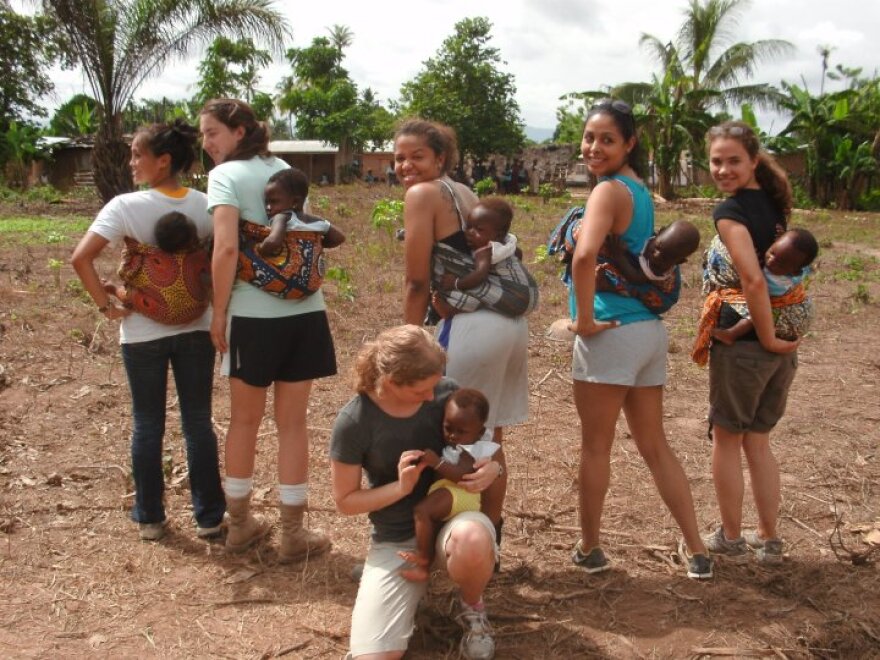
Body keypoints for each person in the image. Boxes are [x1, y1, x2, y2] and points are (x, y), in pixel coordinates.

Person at [567, 99, 712, 579]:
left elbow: (583, 258)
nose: (594, 147)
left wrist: (584, 320)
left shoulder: (607, 191)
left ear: (629, 143)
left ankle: (589, 549)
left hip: (611, 332)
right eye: (589, 137)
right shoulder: (640, 192)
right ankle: (696, 549)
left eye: (607, 139)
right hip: (648, 334)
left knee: (595, 447)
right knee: (655, 446)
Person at [71, 120, 225, 542]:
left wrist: (106, 306)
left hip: (141, 330)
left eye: (138, 155)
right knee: (198, 421)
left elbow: (80, 259)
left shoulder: (124, 207)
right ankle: (210, 518)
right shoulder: (206, 205)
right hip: (196, 326)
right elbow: (217, 260)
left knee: (147, 422)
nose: (132, 162)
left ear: (164, 161)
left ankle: (150, 518)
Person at [199, 98, 335, 561]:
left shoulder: (224, 177)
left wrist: (219, 313)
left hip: (253, 318)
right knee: (293, 424)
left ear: (239, 132)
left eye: (212, 133)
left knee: (244, 421)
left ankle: (240, 526)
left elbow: (225, 250)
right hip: (305, 313)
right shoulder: (286, 169)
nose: (207, 144)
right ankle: (293, 534)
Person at [396, 118, 530, 557]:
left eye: (417, 156)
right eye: (399, 157)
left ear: (440, 158)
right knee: (489, 439)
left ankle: (434, 544)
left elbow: (417, 282)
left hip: (474, 329)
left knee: (447, 434)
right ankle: (488, 538)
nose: (405, 165)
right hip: (508, 326)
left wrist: (407, 343)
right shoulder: (464, 193)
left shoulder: (422, 195)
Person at [330, 325, 502, 660]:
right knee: (374, 656)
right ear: (392, 383)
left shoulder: (445, 393)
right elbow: (345, 501)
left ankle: (471, 606)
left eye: (436, 383)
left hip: (455, 519)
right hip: (397, 536)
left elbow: (485, 445)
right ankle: (402, 585)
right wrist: (401, 487)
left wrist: (493, 468)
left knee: (472, 539)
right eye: (422, 390)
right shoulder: (354, 421)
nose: (431, 397)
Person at [696, 120, 801, 564]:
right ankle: (769, 538)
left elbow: (754, 281)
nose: (723, 169)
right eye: (716, 161)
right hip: (782, 338)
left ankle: (733, 537)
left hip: (749, 345)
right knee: (758, 442)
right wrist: (778, 338)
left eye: (733, 160)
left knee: (727, 440)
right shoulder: (773, 206)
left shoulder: (731, 212)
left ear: (753, 160)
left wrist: (765, 337)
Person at [398, 388, 499, 582]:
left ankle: (423, 561)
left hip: (461, 493)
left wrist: (437, 463)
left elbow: (463, 475)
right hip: (450, 491)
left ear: (479, 433)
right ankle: (429, 560)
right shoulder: (457, 443)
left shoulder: (472, 450)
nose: (453, 435)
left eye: (461, 431)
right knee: (429, 520)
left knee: (422, 511)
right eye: (448, 428)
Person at [709, 228, 817, 346]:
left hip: (769, 304)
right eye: (772, 252)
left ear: (794, 271)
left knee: (753, 318)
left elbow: (752, 283)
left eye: (780, 263)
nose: (771, 261)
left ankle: (731, 334)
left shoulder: (776, 282)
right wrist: (782, 237)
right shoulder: (794, 266)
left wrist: (748, 261)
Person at [103, 210, 208, 311]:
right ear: (192, 240)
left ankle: (113, 289)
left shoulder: (150, 257)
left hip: (167, 314)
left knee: (134, 297)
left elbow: (125, 271)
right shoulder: (200, 257)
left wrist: (129, 242)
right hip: (197, 310)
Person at [597, 219, 701, 314]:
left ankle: (609, 286)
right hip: (644, 280)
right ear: (659, 232)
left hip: (661, 298)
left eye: (666, 257)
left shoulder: (660, 268)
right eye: (658, 247)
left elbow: (636, 278)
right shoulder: (647, 237)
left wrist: (619, 255)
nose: (657, 256)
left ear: (679, 261)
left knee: (637, 290)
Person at [257, 167, 345, 257]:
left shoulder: (282, 217)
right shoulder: (317, 221)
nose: (268, 207)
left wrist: (259, 249)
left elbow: (273, 241)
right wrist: (316, 244)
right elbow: (339, 237)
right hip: (312, 271)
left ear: (295, 202)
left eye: (273, 202)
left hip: (285, 270)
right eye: (266, 202)